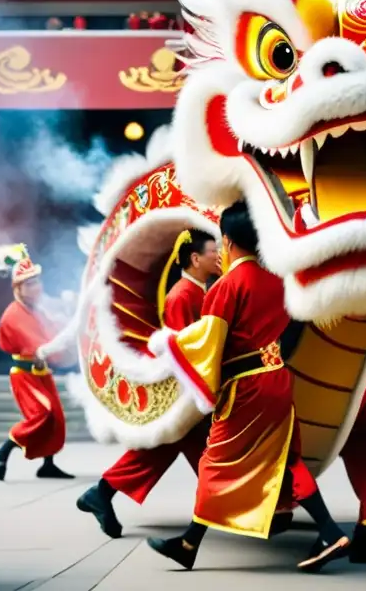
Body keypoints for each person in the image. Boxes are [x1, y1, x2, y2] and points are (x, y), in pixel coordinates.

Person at [146, 201, 350, 573]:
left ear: (226, 241)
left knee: (216, 462)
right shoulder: (278, 281)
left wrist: (170, 344)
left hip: (247, 387)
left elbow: (209, 342)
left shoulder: (226, 286)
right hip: (277, 379)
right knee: (286, 459)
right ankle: (329, 530)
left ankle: (190, 543)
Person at [75, 229, 219, 539]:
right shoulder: (182, 295)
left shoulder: (196, 291)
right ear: (195, 259)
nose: (218, 255)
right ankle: (232, 513)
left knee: (167, 449)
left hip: (193, 393)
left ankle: (101, 493)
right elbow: (184, 351)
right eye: (212, 251)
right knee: (210, 459)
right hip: (190, 392)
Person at [0, 244, 73, 481]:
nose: (37, 287)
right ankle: (0, 453)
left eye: (37, 281)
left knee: (55, 418)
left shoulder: (37, 310)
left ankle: (48, 464)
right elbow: (39, 345)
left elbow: (52, 333)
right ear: (18, 288)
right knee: (41, 415)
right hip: (24, 374)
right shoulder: (13, 315)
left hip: (41, 371)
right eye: (30, 283)